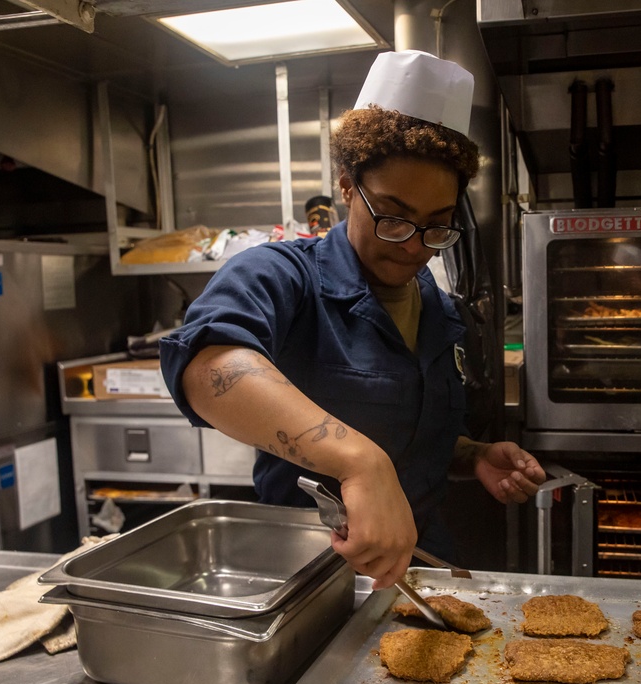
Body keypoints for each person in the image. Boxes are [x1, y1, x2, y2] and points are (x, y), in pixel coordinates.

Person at [160, 50, 545, 591]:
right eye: (393, 217)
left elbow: (412, 430)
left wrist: (473, 456)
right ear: (347, 188)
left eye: (437, 226)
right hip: (313, 575)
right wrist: (358, 462)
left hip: (424, 563)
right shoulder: (283, 275)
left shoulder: (433, 304)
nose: (414, 247)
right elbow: (207, 367)